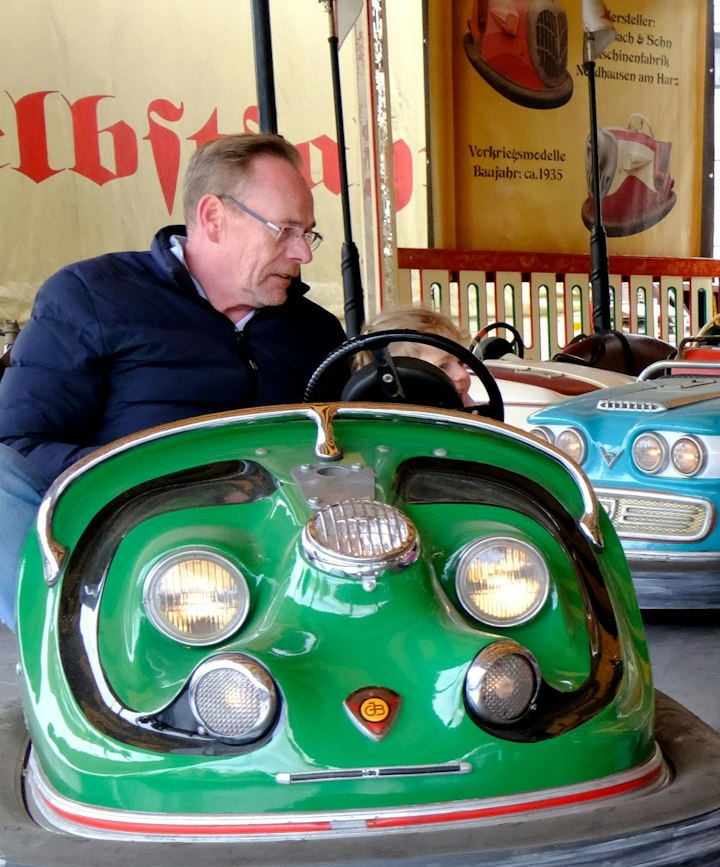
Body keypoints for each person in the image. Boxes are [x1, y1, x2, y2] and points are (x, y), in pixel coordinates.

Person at [0, 132, 346, 631]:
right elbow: (20, 443)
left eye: (306, 233)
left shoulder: (314, 331)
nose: (303, 254)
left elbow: (340, 450)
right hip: (123, 545)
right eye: (285, 230)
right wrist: (165, 482)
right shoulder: (93, 297)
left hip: (272, 548)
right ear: (213, 217)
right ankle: (65, 655)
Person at [357, 304, 480, 407]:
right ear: (404, 377)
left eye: (460, 362)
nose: (462, 374)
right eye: (443, 366)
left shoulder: (464, 404)